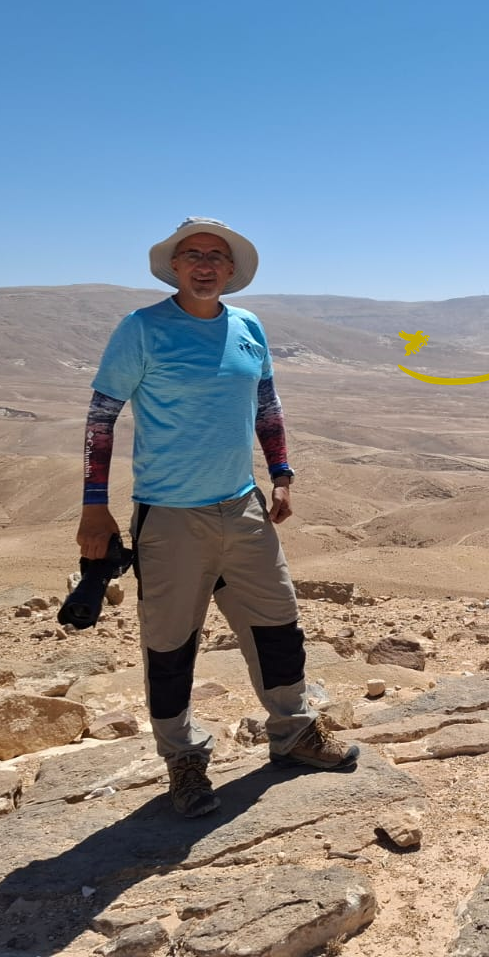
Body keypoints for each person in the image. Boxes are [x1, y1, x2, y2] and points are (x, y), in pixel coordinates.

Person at [76, 216, 357, 818]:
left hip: (243, 506)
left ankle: (294, 732)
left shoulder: (248, 326)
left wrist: (281, 474)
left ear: (231, 270)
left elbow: (266, 403)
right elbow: (101, 417)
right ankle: (183, 758)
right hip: (171, 515)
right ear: (174, 266)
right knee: (170, 643)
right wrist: (94, 505)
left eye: (215, 256)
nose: (204, 265)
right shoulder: (142, 329)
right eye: (193, 255)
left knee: (278, 624)